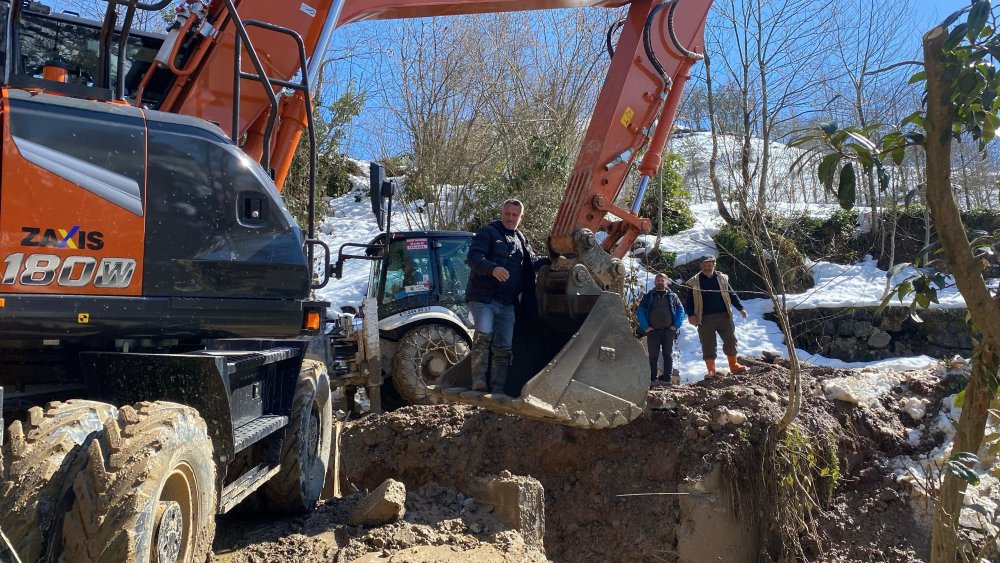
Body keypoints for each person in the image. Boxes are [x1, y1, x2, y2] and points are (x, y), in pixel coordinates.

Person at [465, 199, 540, 394]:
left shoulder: (521, 239)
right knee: (484, 334)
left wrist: (557, 261)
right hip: (484, 298)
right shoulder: (487, 232)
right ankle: (479, 382)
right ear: (501, 213)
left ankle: (498, 389)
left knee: (504, 346)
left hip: (507, 302)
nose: (510, 218)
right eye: (507, 213)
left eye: (515, 215)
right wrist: (492, 269)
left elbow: (533, 262)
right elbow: (474, 257)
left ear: (521, 217)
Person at [684, 254, 748, 379]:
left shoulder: (722, 278)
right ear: (700, 266)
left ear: (714, 265)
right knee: (708, 344)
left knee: (730, 340)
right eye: (704, 265)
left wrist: (740, 308)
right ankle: (711, 371)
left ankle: (734, 365)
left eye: (709, 265)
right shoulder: (693, 282)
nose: (706, 267)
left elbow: (731, 294)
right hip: (704, 319)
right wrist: (691, 315)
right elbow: (689, 301)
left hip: (724, 316)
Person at [636, 273, 686, 385]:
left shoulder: (673, 296)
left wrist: (676, 325)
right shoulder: (648, 296)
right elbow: (640, 311)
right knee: (653, 355)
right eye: (658, 280)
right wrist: (645, 327)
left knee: (668, 354)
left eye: (662, 280)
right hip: (653, 331)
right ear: (654, 282)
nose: (660, 282)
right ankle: (652, 379)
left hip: (668, 330)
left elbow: (680, 311)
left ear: (666, 282)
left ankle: (667, 378)